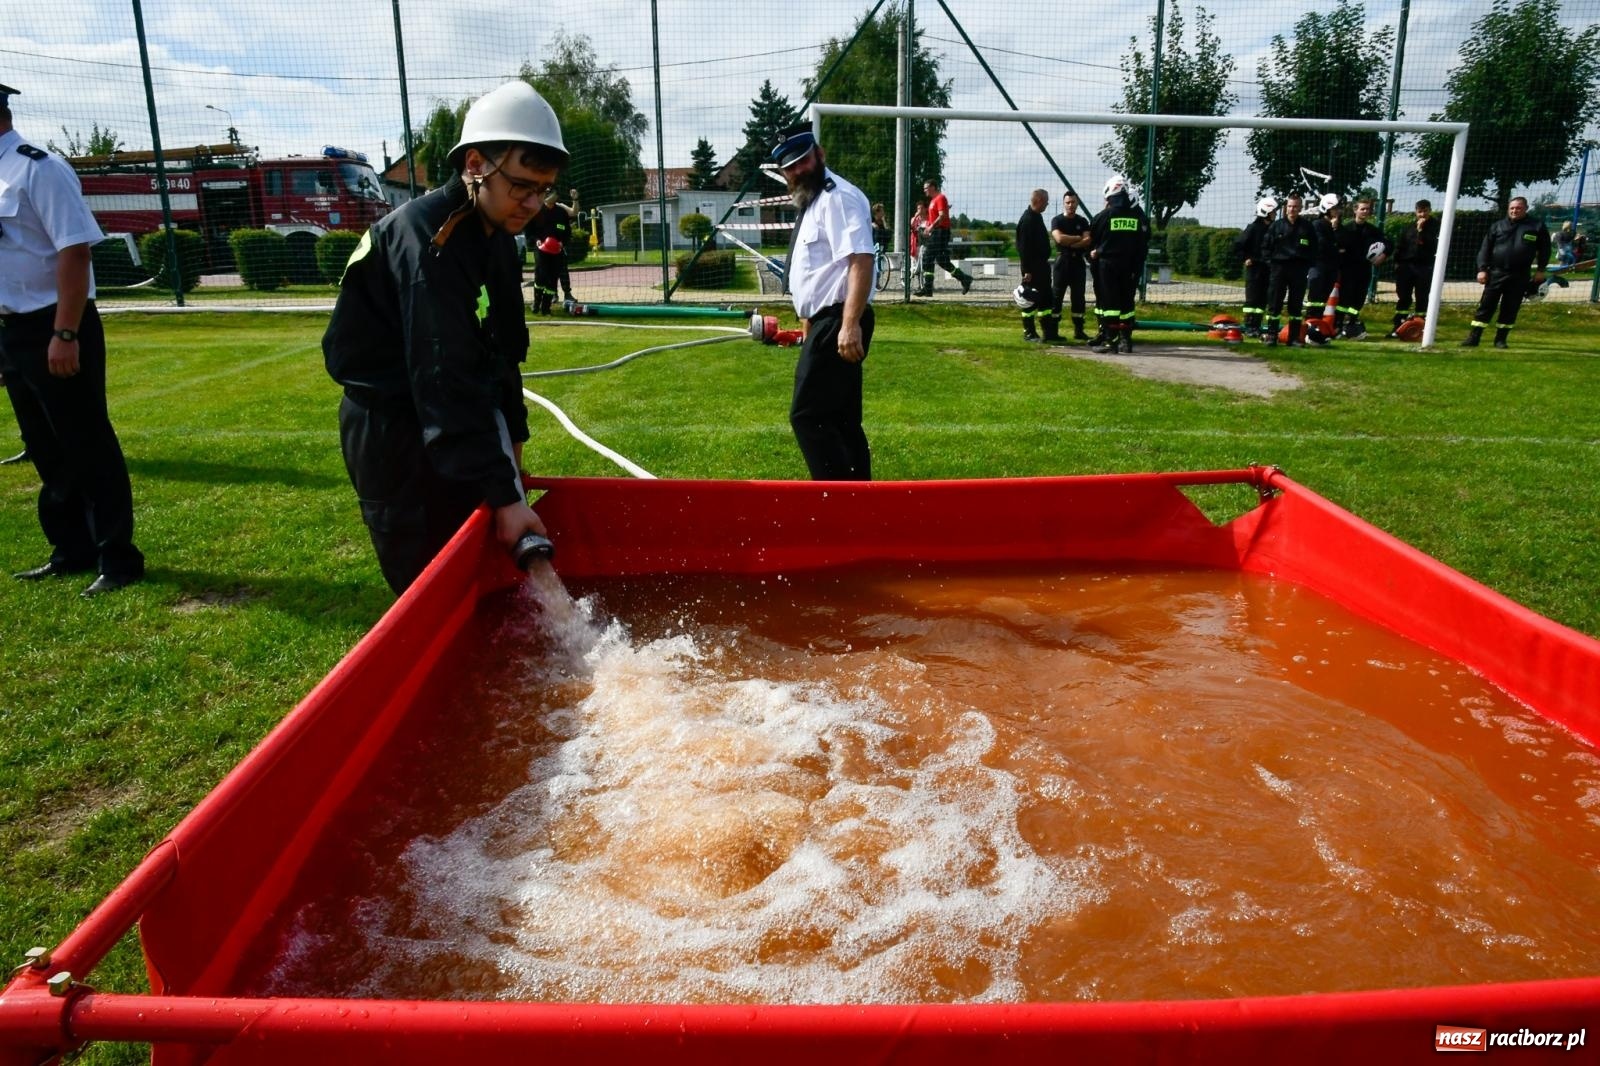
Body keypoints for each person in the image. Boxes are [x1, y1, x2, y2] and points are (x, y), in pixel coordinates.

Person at [323, 80, 562, 595]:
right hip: (391, 428)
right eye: (522, 185)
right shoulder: (426, 237)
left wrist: (512, 459)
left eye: (543, 189)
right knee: (426, 584)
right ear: (475, 165)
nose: (533, 203)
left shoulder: (497, 233)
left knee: (472, 564)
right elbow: (441, 373)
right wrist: (504, 495)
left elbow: (504, 351)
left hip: (450, 414)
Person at [0, 82, 145, 597]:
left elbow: (74, 252)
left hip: (56, 324)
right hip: (12, 329)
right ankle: (71, 550)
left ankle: (118, 557)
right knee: (44, 446)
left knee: (86, 442)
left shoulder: (38, 167)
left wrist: (65, 332)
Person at [771, 123, 875, 480]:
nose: (798, 170)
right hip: (825, 322)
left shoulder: (837, 197)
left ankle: (834, 498)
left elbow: (861, 259)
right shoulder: (813, 201)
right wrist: (808, 326)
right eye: (790, 167)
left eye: (803, 161)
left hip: (839, 321)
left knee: (808, 416)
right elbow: (818, 273)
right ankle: (859, 499)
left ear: (820, 155)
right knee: (840, 418)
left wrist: (849, 326)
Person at [1463, 195, 1550, 349]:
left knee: (1510, 308)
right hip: (1496, 273)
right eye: (1512, 208)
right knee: (1486, 306)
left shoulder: (1537, 226)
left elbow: (1545, 250)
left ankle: (1500, 340)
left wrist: (1541, 270)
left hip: (1520, 275)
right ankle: (1474, 337)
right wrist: (1482, 269)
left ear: (1526, 209)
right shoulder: (1497, 226)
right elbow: (1485, 249)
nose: (1514, 211)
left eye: (1518, 208)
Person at [1087, 175, 1150, 354]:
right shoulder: (1137, 217)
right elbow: (1143, 241)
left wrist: (1098, 251)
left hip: (1108, 265)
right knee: (1127, 304)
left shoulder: (1104, 216)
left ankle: (1110, 341)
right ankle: (1126, 341)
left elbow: (1093, 238)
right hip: (1131, 266)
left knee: (1110, 304)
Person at [1261, 193, 1317, 348]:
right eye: (1290, 206)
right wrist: (1270, 264)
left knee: (1296, 305)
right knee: (1274, 302)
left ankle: (1293, 338)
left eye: (1296, 206)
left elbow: (1314, 248)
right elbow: (1266, 247)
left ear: (1300, 208)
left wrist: (1307, 265)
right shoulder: (1276, 226)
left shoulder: (1307, 227)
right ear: (1286, 208)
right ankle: (1271, 336)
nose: (1292, 209)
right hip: (1279, 268)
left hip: (1299, 269)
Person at [1334, 199, 1390, 339]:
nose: (1365, 211)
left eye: (1367, 209)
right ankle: (1338, 325)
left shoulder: (1373, 231)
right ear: (1355, 210)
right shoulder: (1346, 228)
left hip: (1364, 270)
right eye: (1362, 209)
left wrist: (1382, 256)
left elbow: (1388, 244)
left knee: (1358, 300)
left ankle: (1352, 324)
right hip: (1347, 270)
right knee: (1344, 299)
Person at [1388, 199, 1439, 338]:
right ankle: (1398, 325)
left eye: (1425, 211)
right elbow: (1401, 245)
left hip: (1424, 266)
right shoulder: (1409, 227)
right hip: (1406, 267)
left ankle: (1421, 327)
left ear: (1430, 210)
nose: (1422, 214)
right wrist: (1397, 263)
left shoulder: (1436, 227)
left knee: (1422, 297)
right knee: (1403, 296)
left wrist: (1421, 231)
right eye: (1420, 211)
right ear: (1416, 212)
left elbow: (1431, 245)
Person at [916, 179, 973, 297]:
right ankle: (965, 278)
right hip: (937, 232)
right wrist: (928, 228)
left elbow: (942, 216)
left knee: (927, 257)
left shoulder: (940, 198)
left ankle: (927, 288)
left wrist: (931, 227)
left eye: (926, 188)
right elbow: (936, 217)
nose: (924, 190)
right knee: (942, 261)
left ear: (933, 187)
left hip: (941, 232)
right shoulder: (933, 201)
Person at [1050, 190, 1092, 342]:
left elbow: (1088, 240)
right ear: (1064, 203)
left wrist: (1072, 244)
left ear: (1077, 203)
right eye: (1067, 202)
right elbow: (1059, 239)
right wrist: (1077, 238)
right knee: (1056, 296)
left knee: (1079, 297)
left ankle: (1079, 331)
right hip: (1063, 262)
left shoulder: (1083, 221)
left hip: (1078, 263)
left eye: (1073, 202)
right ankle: (1053, 331)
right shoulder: (1057, 220)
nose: (1070, 205)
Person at [526, 187, 575, 314]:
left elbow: (567, 232)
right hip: (541, 250)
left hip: (557, 251)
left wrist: (562, 242)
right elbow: (529, 231)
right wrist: (536, 240)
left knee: (552, 279)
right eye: (548, 193)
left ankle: (546, 308)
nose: (552, 196)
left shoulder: (561, 212)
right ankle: (536, 304)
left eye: (553, 193)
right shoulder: (537, 211)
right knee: (541, 277)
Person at [1235, 196, 1277, 340]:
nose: (1275, 214)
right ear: (1266, 212)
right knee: (1252, 298)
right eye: (1273, 212)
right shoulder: (1253, 228)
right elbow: (1238, 245)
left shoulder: (1273, 229)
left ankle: (1257, 326)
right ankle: (1249, 326)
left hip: (1267, 268)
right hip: (1254, 268)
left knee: (1262, 300)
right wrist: (1245, 258)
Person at [1015, 188, 1054, 343]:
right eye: (1046, 201)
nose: (1048, 204)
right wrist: (1027, 270)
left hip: (1042, 267)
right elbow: (1023, 248)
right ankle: (1029, 332)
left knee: (1045, 299)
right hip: (1032, 269)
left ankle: (1048, 332)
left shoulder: (1037, 217)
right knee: (1029, 299)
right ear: (1038, 201)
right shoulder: (1028, 220)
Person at [1303, 193, 1341, 346]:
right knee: (1315, 297)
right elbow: (1322, 246)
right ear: (1327, 208)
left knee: (1323, 299)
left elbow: (1341, 245)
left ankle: (1317, 327)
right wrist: (1333, 232)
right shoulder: (1318, 225)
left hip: (1331, 267)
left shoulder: (1337, 226)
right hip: (1318, 266)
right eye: (1335, 208)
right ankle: (1310, 325)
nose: (1338, 211)